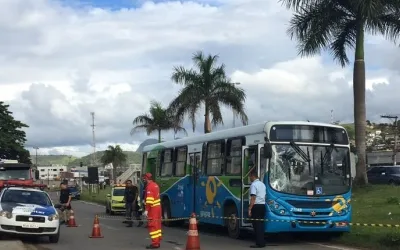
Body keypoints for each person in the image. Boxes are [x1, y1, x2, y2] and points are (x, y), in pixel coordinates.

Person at [142, 173, 162, 249]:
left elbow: (150, 200)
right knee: (157, 225)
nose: (143, 179)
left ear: (147, 178)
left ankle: (155, 243)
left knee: (152, 226)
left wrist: (146, 210)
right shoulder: (155, 185)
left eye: (144, 178)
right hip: (158, 207)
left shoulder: (150, 187)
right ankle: (157, 241)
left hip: (152, 208)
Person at [248, 171, 266, 248]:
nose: (249, 178)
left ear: (253, 176)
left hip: (256, 206)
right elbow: (265, 196)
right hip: (262, 206)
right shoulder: (263, 184)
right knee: (260, 225)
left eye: (250, 177)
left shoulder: (253, 185)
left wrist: (250, 208)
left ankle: (259, 243)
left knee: (256, 225)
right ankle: (262, 242)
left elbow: (253, 197)